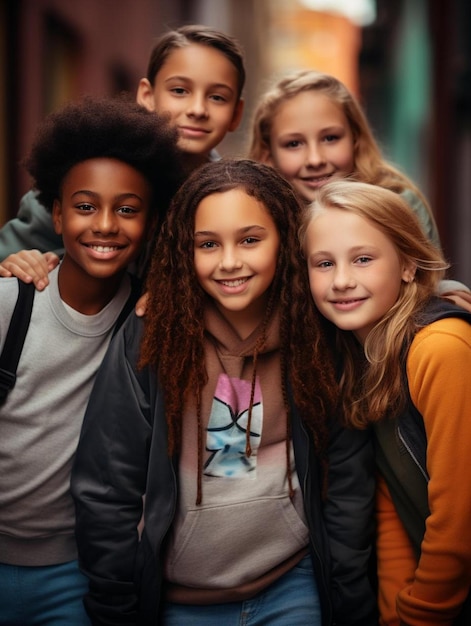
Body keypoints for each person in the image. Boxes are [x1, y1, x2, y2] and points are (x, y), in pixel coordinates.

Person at [70, 159, 378, 626]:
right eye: (208, 244)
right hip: (180, 602)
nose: (229, 261)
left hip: (292, 587)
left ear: (285, 241)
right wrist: (116, 610)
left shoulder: (319, 337)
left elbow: (349, 486)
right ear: (183, 251)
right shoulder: (151, 336)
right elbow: (106, 489)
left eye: (250, 240)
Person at [0, 95, 183, 625]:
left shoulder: (151, 319)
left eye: (127, 209)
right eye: (84, 206)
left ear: (150, 223)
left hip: (78, 573)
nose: (105, 224)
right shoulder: (11, 301)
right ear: (56, 215)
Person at [299, 179, 471, 625]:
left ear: (409, 265)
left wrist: (421, 615)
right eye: (323, 263)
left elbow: (459, 517)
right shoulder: (361, 357)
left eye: (363, 259)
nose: (341, 281)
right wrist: (396, 611)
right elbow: (392, 499)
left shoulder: (441, 348)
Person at [0, 24, 245, 279]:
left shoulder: (235, 198)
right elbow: (15, 256)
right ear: (147, 96)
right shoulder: (88, 175)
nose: (197, 109)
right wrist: (18, 261)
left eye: (217, 97)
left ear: (236, 113)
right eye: (179, 91)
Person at [247, 69, 471, 308]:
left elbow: (426, 281)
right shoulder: (256, 220)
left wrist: (442, 290)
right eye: (294, 144)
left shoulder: (398, 201)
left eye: (330, 138)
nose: (315, 159)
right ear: (268, 155)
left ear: (355, 139)